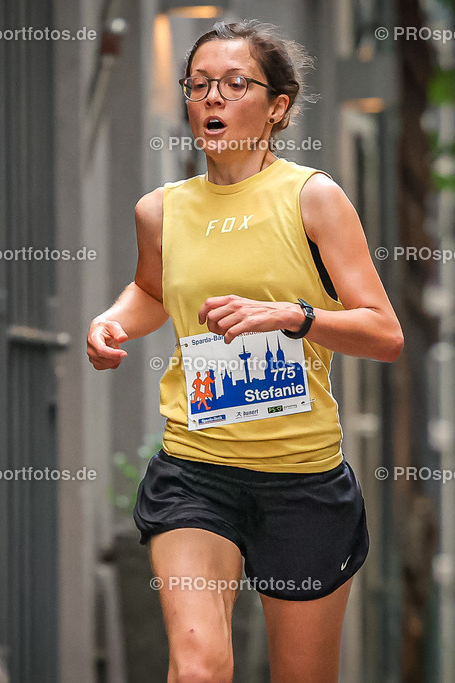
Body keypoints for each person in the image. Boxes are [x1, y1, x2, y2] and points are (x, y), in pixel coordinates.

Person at [87, 19, 402, 682]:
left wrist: (293, 315)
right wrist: (112, 323)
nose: (211, 98)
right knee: (198, 668)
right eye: (199, 85)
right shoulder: (160, 210)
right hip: (196, 471)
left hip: (302, 477)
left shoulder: (312, 198)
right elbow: (149, 289)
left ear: (278, 106)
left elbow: (384, 331)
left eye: (234, 84)